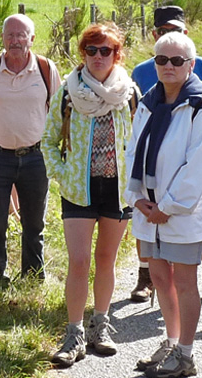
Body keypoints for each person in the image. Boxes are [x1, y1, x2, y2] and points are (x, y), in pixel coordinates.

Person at [126, 32, 202, 378]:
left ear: (191, 65)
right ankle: (170, 341)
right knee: (157, 275)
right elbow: (132, 150)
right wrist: (135, 195)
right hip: (148, 207)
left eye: (177, 61)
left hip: (181, 212)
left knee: (184, 281)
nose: (168, 66)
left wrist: (168, 206)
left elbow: (198, 166)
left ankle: (186, 353)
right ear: (154, 63)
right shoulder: (148, 103)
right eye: (161, 60)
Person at [45, 23, 137, 367]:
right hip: (78, 190)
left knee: (105, 260)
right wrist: (62, 173)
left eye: (106, 50)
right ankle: (74, 333)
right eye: (91, 50)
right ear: (82, 54)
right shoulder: (68, 92)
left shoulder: (129, 92)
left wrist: (138, 181)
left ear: (117, 54)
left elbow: (140, 138)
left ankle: (101, 326)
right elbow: (48, 138)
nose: (99, 57)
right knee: (79, 261)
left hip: (117, 189)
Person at [0, 14, 62, 283]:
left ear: (32, 39)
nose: (15, 40)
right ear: (3, 38)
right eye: (10, 35)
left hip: (35, 157)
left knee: (34, 223)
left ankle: (32, 277)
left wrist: (53, 147)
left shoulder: (45, 68)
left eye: (22, 35)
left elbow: (59, 112)